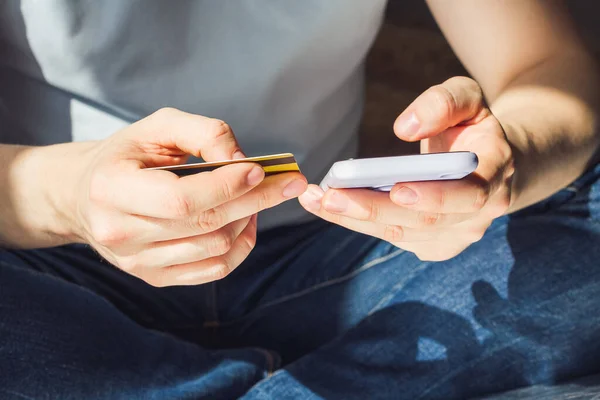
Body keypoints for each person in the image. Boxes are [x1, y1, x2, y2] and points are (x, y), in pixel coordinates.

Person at [0, 0, 599, 399]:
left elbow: (546, 68)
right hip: (60, 264)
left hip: (333, 249)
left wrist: (504, 167)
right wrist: (67, 197)